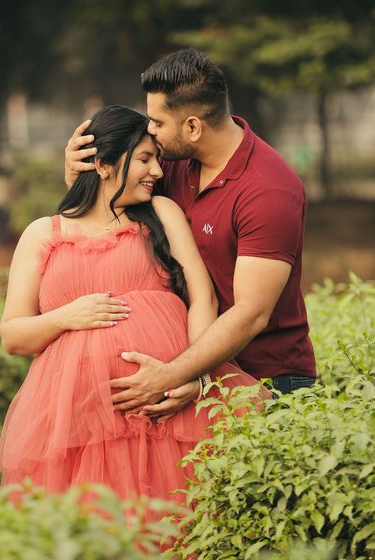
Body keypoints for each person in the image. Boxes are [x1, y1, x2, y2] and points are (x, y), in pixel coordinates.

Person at [0, 105, 258, 501]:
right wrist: (67, 316)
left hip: (169, 404)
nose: (157, 171)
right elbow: (13, 336)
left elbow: (201, 296)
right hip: (79, 419)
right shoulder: (42, 234)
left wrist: (192, 375)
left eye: (157, 158)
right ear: (103, 165)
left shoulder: (160, 213)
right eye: (144, 159)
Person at [64, 48, 317, 417]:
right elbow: (111, 215)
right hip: (190, 370)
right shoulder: (171, 165)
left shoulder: (269, 191)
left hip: (267, 382)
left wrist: (177, 375)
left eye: (157, 122)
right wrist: (80, 174)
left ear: (193, 127)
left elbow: (250, 313)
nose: (149, 131)